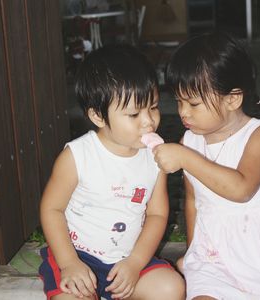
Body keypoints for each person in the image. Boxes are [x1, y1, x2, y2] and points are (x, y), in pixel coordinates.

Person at [153, 31, 260, 299]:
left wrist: (185, 158)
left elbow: (241, 189)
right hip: (214, 254)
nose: (183, 112)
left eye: (193, 103)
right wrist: (194, 250)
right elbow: (194, 200)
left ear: (233, 99)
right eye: (179, 101)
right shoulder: (190, 141)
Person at [38, 44, 185, 300]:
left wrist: (136, 262)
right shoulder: (77, 156)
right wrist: (69, 263)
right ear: (97, 116)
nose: (148, 121)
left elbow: (158, 213)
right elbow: (52, 209)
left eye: (153, 106)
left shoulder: (156, 156)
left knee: (171, 288)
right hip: (77, 256)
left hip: (128, 260)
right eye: (133, 114)